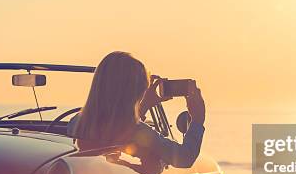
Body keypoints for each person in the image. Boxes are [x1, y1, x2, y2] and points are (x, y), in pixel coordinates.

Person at [69, 51, 205, 168]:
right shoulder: (138, 132)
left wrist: (144, 105)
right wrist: (197, 119)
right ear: (137, 92)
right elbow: (184, 158)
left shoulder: (76, 123)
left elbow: (116, 129)